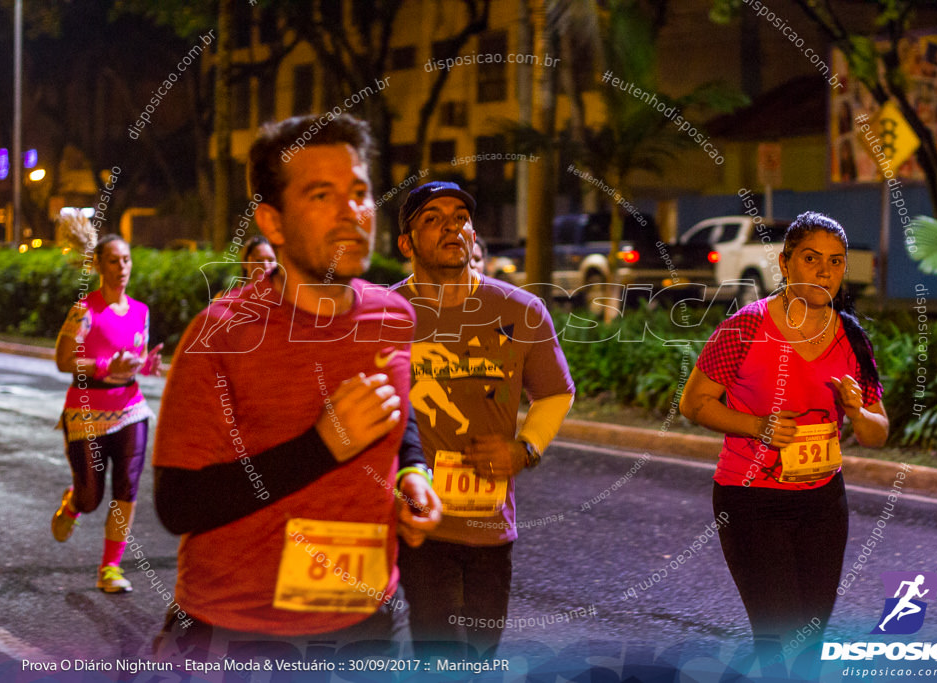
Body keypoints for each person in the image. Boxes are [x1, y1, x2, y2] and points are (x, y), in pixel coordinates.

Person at [151, 114, 441, 662]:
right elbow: (179, 504)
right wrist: (321, 446)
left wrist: (414, 474)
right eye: (321, 194)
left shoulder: (394, 317)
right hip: (238, 634)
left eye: (359, 192)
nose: (352, 211)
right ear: (273, 222)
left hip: (366, 624)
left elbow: (398, 421)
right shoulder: (222, 333)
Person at [679, 211, 889, 669]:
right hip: (751, 499)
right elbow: (693, 403)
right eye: (812, 258)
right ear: (785, 262)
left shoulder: (851, 337)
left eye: (836, 262)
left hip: (823, 502)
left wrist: (857, 411)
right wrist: (758, 426)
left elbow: (878, 433)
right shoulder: (746, 327)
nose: (824, 271)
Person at [392, 181, 575, 656]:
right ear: (406, 243)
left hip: (490, 522)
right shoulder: (384, 315)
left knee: (480, 652)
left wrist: (525, 449)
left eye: (461, 217)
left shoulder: (521, 310)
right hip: (417, 522)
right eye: (432, 218)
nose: (452, 226)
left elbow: (556, 393)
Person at [52, 234, 163, 593]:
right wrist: (102, 365)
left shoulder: (141, 312)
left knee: (127, 486)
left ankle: (110, 568)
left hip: (130, 409)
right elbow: (63, 360)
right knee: (91, 497)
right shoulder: (85, 311)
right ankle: (73, 504)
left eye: (127, 260)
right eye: (113, 261)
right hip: (87, 413)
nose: (122, 268)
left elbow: (130, 361)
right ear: (99, 265)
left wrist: (145, 366)